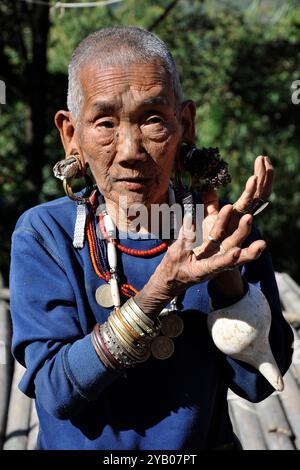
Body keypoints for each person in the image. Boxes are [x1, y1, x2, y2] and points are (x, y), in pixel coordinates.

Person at [10, 26, 293, 451]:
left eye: (153, 119)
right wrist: (161, 289)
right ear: (72, 135)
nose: (129, 150)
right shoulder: (45, 235)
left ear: (186, 124)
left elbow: (260, 385)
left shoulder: (223, 228)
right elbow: (56, 391)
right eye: (104, 122)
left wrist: (228, 280)